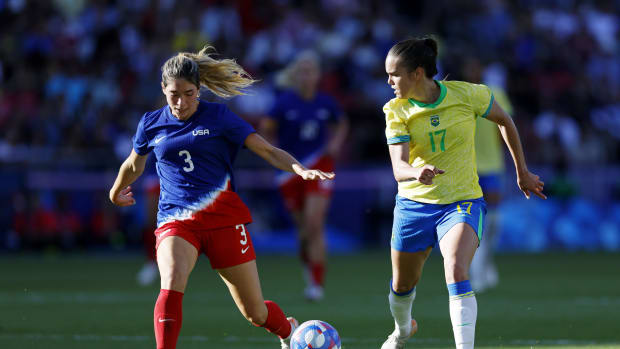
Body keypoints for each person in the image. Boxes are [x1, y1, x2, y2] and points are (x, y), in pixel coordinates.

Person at [108, 46, 334, 349]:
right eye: (174, 93)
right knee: (172, 278)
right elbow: (134, 164)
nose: (181, 101)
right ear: (163, 88)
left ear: (199, 89)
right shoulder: (151, 123)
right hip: (176, 220)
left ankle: (286, 329)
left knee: (255, 312)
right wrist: (115, 190)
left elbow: (266, 149)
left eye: (189, 93)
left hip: (224, 220)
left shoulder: (219, 117)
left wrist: (300, 169)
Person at [380, 37, 546, 349]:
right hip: (414, 205)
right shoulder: (396, 111)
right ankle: (402, 331)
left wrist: (521, 172)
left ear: (418, 73)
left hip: (462, 201)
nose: (388, 81)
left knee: (456, 268)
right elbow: (399, 167)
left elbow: (505, 121)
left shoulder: (468, 94)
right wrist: (416, 171)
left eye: (394, 74)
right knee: (402, 286)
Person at [260, 50, 348, 301]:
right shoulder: (283, 102)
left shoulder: (325, 102)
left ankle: (317, 284)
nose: (306, 76)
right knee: (303, 232)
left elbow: (341, 123)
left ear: (317, 75)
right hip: (290, 170)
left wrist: (336, 143)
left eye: (311, 71)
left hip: (319, 165)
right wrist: (273, 153)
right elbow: (265, 130)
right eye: (302, 71)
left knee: (314, 224)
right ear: (295, 75)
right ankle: (308, 269)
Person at [466, 60, 515, 293]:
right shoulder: (459, 97)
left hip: (493, 166)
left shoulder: (495, 94)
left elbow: (506, 124)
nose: (472, 71)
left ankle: (485, 263)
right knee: (475, 222)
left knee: (494, 222)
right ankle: (477, 272)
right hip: (468, 168)